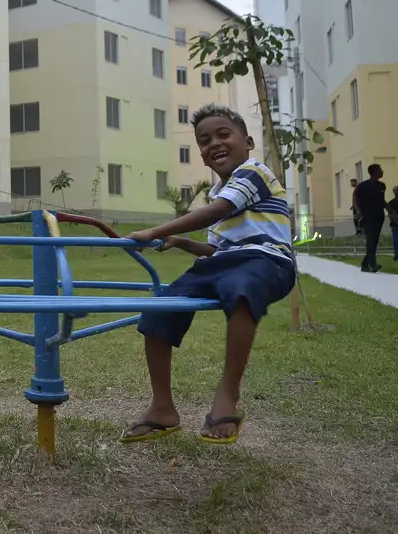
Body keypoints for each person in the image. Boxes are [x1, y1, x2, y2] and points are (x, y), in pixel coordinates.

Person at [119, 105, 296, 446]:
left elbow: (217, 212)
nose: (214, 143)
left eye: (223, 134)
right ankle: (162, 408)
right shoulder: (218, 193)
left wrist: (155, 231)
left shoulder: (253, 173)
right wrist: (181, 241)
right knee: (160, 308)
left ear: (248, 143)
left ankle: (227, 399)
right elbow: (216, 250)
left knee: (242, 288)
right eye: (204, 140)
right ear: (201, 154)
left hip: (267, 261)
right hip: (224, 263)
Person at [354, 164, 392, 273]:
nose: (382, 171)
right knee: (371, 239)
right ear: (375, 172)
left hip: (379, 216)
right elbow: (355, 198)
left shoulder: (382, 186)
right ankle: (372, 264)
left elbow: (382, 200)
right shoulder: (363, 186)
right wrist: (358, 210)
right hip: (367, 217)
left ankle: (365, 265)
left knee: (374, 241)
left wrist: (390, 210)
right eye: (380, 169)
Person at [389, 186, 398, 262]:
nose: (397, 191)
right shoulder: (391, 203)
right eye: (395, 190)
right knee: (396, 240)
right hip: (395, 224)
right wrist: (397, 222)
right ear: (393, 192)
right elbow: (390, 215)